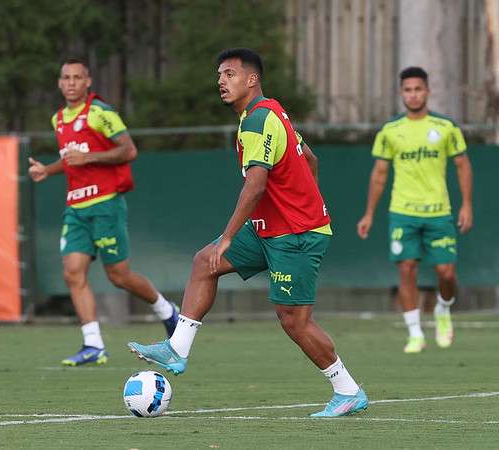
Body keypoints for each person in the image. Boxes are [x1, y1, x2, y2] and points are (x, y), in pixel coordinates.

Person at [128, 48, 368, 417]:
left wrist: (230, 234)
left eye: (229, 74)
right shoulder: (270, 113)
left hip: (297, 235)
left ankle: (347, 390)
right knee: (204, 263)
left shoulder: (258, 120)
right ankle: (178, 347)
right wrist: (302, 198)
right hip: (271, 228)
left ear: (251, 79)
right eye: (219, 75)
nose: (221, 81)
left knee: (293, 320)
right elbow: (311, 159)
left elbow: (256, 185)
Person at [28, 58, 179, 366]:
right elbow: (72, 160)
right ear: (59, 83)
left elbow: (129, 149)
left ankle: (167, 311)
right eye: (66, 77)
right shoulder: (58, 119)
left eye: (77, 77)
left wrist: (90, 158)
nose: (71, 82)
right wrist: (49, 169)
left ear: (88, 82)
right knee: (72, 272)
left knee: (119, 276)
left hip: (106, 205)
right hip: (76, 209)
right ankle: (93, 344)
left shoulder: (100, 113)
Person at [357, 67, 472, 354]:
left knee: (446, 273)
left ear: (427, 91)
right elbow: (379, 174)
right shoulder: (390, 131)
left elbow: (462, 165)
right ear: (401, 93)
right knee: (407, 269)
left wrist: (467, 204)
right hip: (403, 212)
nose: (413, 94)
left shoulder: (446, 127)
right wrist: (369, 213)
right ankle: (415, 333)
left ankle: (443, 310)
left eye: (418, 89)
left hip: (438, 212)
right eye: (407, 90)